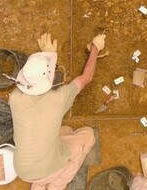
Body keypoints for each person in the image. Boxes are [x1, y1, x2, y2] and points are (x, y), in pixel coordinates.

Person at [9, 32, 106, 190]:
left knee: (66, 130)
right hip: (49, 167)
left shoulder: (15, 97)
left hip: (22, 170)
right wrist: (96, 47)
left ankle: (38, 186)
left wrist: (47, 54)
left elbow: (37, 76)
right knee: (88, 134)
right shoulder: (58, 100)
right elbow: (86, 77)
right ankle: (56, 184)